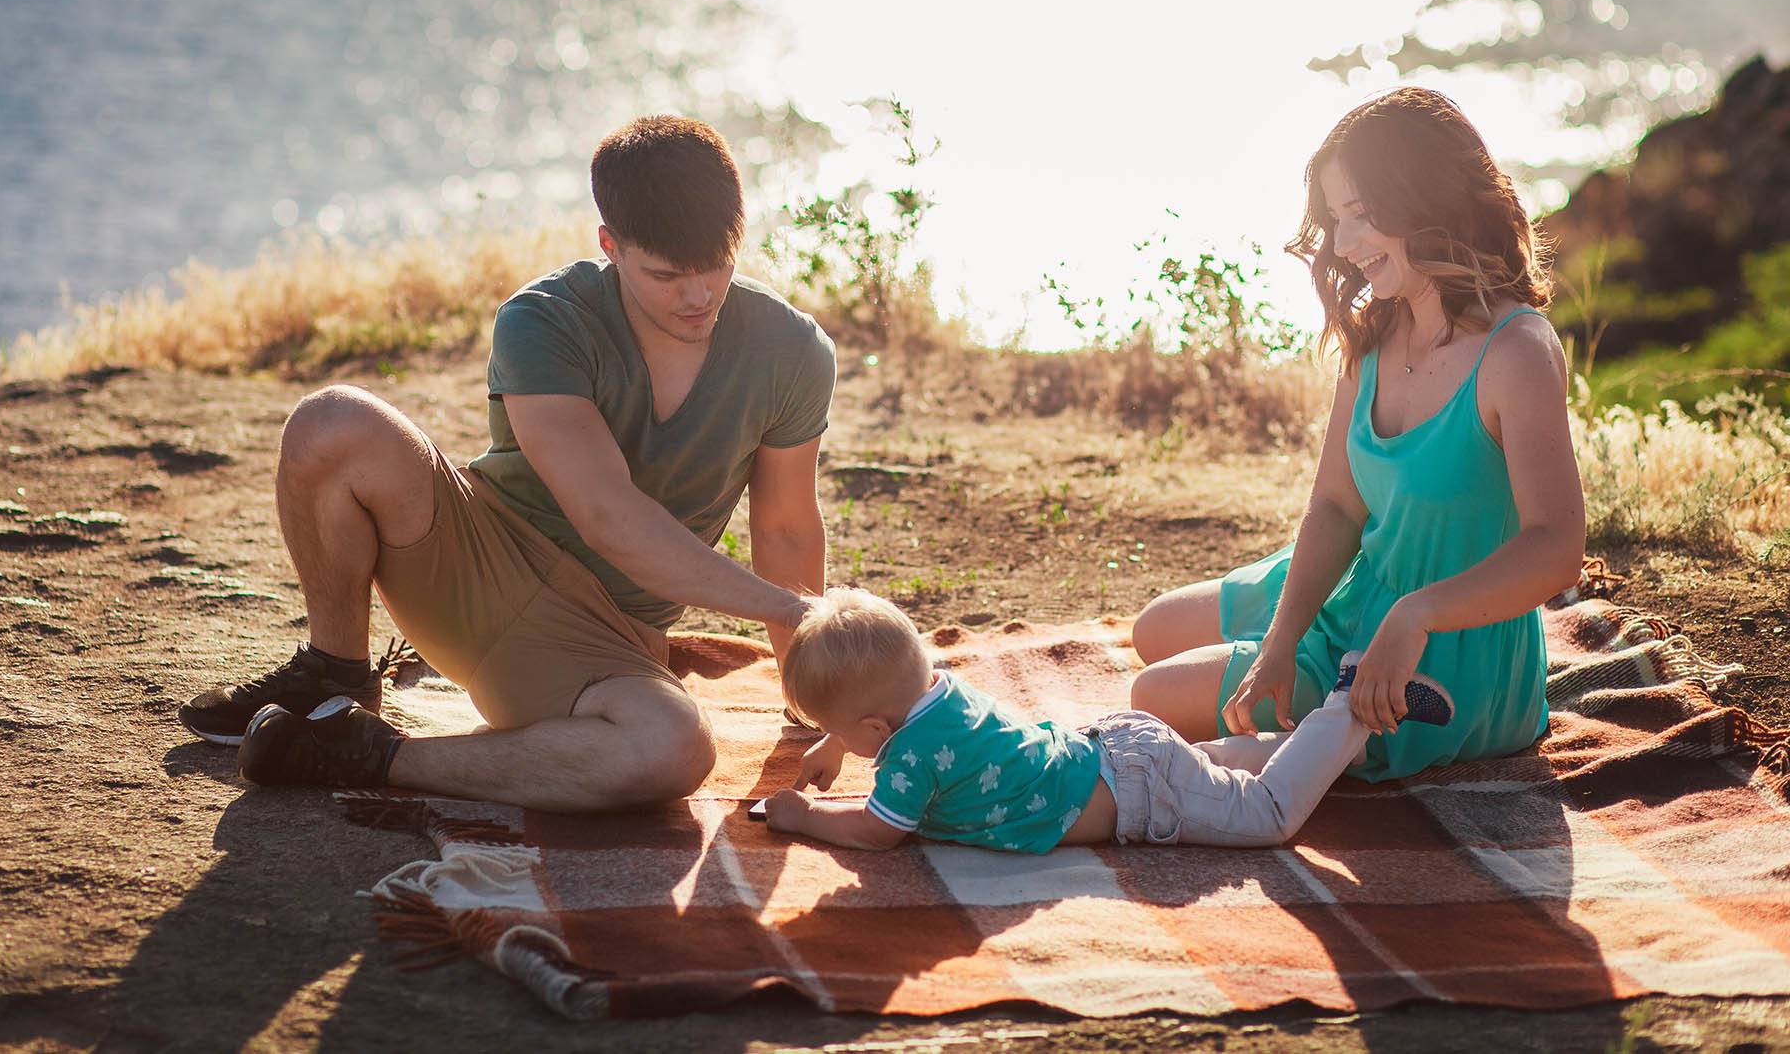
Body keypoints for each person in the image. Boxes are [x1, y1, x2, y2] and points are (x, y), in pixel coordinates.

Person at [178, 115, 836, 812]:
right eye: (667, 275)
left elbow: (789, 527)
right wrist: (804, 609)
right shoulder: (544, 318)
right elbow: (606, 514)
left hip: (602, 640)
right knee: (332, 420)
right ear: (610, 245)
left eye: (716, 266)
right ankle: (334, 674)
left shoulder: (792, 352)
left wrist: (814, 691)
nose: (698, 295)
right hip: (472, 560)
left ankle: (365, 753)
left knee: (673, 745)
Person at [1127, 86, 1585, 781]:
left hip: (1447, 645)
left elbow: (1557, 548)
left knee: (1153, 695)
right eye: (1338, 218)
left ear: (1426, 199)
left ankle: (1314, 663)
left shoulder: (1516, 351)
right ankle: (1285, 638)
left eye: (1363, 215)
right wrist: (1281, 641)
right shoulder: (1378, 329)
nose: (1343, 244)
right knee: (1152, 630)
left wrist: (1416, 613)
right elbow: (1337, 506)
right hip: (1364, 577)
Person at [760, 589, 1454, 852]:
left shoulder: (908, 759)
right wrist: (836, 737)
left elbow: (877, 831)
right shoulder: (937, 688)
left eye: (847, 731)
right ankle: (1328, 752)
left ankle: (1351, 704)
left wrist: (804, 817)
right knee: (1224, 761)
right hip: (1118, 743)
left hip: (1139, 790)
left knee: (1266, 814)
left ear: (876, 732)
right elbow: (888, 709)